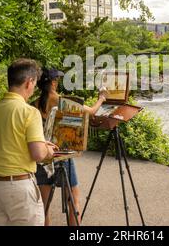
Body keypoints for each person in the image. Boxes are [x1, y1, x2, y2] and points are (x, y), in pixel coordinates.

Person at [0, 59, 58, 226]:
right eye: (34, 83)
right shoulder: (29, 112)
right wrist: (49, 151)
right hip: (18, 187)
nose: (33, 89)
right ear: (29, 82)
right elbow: (38, 154)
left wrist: (42, 146)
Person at [33, 68, 108, 226]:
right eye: (57, 80)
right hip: (62, 155)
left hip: (44, 157)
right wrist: (101, 98)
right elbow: (92, 112)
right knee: (73, 203)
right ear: (53, 83)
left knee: (44, 208)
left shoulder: (34, 104)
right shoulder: (63, 101)